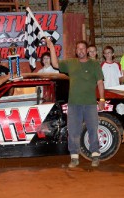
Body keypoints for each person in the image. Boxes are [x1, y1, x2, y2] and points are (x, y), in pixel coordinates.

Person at [47, 39, 105, 168]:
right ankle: (74, 157)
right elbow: (55, 64)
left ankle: (95, 155)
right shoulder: (70, 63)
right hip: (74, 104)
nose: (80, 51)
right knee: (73, 131)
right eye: (78, 49)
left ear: (87, 51)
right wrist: (51, 47)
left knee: (92, 129)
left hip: (90, 103)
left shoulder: (94, 64)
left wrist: (101, 99)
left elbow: (100, 82)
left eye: (83, 48)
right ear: (76, 51)